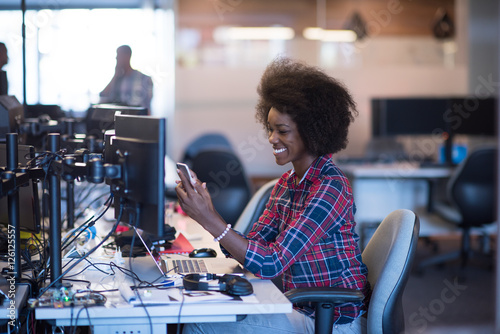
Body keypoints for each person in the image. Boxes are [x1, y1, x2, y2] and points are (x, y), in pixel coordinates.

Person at [176, 57, 371, 334]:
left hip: (333, 321)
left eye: (282, 131)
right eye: (270, 129)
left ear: (312, 131)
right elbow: (254, 247)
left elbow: (271, 263)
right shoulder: (287, 184)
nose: (271, 139)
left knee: (200, 322)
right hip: (302, 308)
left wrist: (210, 220)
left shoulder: (330, 187)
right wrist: (212, 215)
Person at [99, 45, 153, 112]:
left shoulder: (144, 79)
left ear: (127, 56)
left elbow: (142, 106)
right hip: (119, 120)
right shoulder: (118, 79)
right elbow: (103, 96)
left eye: (118, 55)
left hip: (136, 120)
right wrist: (115, 76)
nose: (116, 58)